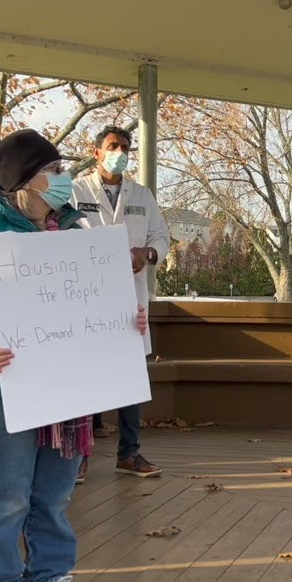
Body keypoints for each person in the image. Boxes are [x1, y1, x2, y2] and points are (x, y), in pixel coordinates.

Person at [0, 129, 150, 582]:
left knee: (54, 493)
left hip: (69, 387)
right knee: (7, 493)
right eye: (52, 172)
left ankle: (48, 579)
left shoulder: (77, 232)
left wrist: (128, 319)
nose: (62, 180)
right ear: (23, 184)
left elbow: (103, 298)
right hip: (5, 387)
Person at [71, 125, 170, 480]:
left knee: (131, 377)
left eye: (125, 147)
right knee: (84, 376)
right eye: (112, 146)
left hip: (130, 297)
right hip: (86, 296)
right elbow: (60, 235)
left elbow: (161, 235)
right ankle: (78, 456)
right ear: (96, 152)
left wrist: (148, 252)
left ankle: (129, 453)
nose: (120, 152)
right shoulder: (75, 190)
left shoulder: (142, 195)